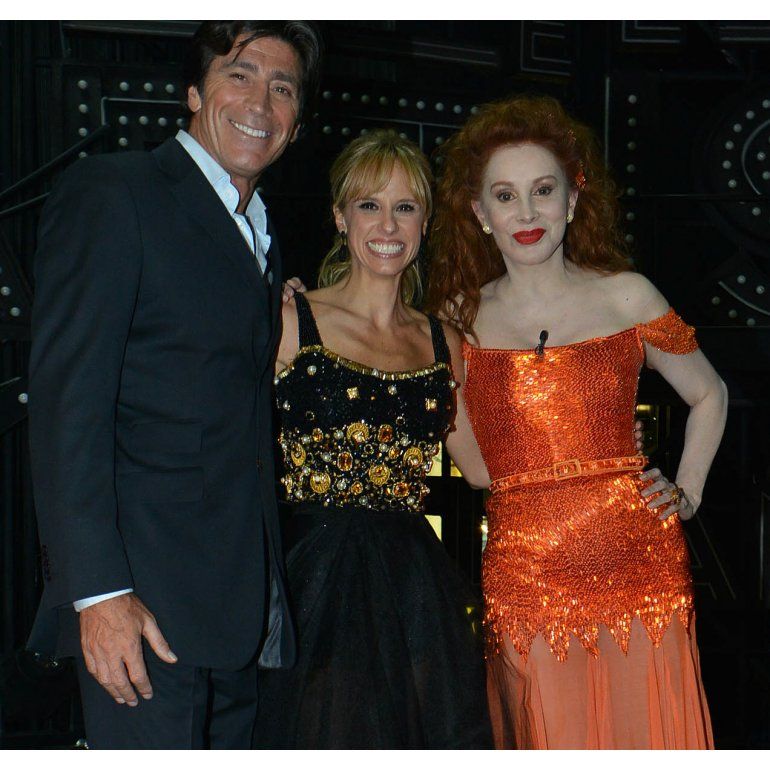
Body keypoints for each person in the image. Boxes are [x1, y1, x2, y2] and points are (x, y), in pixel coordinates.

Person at [27, 21, 322, 749]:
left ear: (296, 123)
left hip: (237, 614)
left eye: (282, 88)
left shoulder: (261, 228)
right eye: (239, 74)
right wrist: (98, 594)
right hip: (142, 612)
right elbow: (69, 408)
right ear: (193, 92)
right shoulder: (116, 193)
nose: (260, 102)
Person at [426, 95, 728, 749]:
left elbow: (710, 394)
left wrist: (689, 491)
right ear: (479, 213)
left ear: (572, 197)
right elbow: (477, 471)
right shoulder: (455, 322)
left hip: (641, 566)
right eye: (505, 196)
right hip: (525, 575)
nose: (526, 213)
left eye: (543, 190)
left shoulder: (628, 294)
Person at [252, 129, 493, 748]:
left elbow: (484, 469)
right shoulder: (290, 321)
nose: (387, 225)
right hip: (312, 578)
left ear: (424, 223)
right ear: (341, 217)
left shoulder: (443, 342)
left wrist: (595, 433)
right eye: (369, 205)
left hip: (412, 585)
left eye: (405, 206)